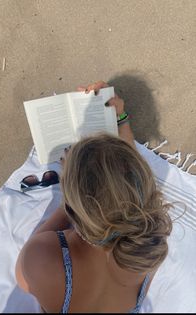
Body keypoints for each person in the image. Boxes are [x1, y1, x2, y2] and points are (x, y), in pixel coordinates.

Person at [15, 81, 173, 313]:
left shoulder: (41, 257)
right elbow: (126, 181)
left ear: (72, 206)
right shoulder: (149, 245)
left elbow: (22, 279)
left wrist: (66, 205)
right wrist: (121, 120)